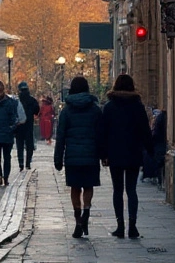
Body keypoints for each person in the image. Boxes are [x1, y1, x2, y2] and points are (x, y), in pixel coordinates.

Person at [100, 74, 152, 239]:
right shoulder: (137, 106)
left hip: (114, 154)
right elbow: (145, 131)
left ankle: (120, 226)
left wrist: (103, 154)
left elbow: (103, 132)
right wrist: (150, 151)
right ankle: (133, 226)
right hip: (133, 153)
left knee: (117, 190)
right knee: (131, 190)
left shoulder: (109, 107)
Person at [54, 76, 104, 238]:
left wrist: (58, 158)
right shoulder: (95, 110)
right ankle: (86, 212)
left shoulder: (66, 111)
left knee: (75, 187)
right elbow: (100, 134)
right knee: (88, 186)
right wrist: (103, 155)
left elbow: (60, 136)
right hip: (91, 155)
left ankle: (78, 220)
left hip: (72, 156)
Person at [14, 81, 40, 170]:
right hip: (29, 125)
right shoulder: (32, 100)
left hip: (19, 126)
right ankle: (28, 163)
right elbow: (37, 110)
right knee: (29, 145)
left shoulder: (17, 101)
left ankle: (21, 162)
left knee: (20, 145)